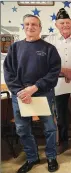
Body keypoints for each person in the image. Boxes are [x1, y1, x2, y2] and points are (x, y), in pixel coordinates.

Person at [3, 14, 61, 173]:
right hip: (20, 96)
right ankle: (32, 157)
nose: (30, 27)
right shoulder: (15, 48)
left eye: (34, 24)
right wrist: (20, 91)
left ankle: (51, 156)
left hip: (43, 94)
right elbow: (8, 72)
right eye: (27, 24)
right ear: (23, 27)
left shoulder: (49, 49)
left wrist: (34, 87)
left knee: (49, 128)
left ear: (40, 28)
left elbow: (53, 73)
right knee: (22, 128)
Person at [45, 8, 71, 154]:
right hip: (58, 82)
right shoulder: (49, 40)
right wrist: (64, 71)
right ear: (56, 24)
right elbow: (47, 62)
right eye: (62, 23)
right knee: (61, 114)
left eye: (68, 22)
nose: (65, 25)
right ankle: (63, 142)